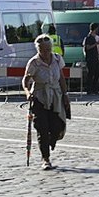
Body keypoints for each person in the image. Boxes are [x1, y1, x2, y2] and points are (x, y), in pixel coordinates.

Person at [22, 34, 70, 170]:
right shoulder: (34, 62)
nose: (45, 53)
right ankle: (45, 159)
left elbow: (61, 78)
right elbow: (25, 80)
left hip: (55, 96)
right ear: (38, 50)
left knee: (57, 126)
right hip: (39, 97)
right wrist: (27, 92)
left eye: (47, 50)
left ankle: (51, 140)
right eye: (42, 50)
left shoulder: (57, 59)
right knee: (42, 128)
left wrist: (65, 94)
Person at [83, 23, 99, 95]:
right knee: (91, 74)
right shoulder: (88, 37)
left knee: (97, 73)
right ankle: (89, 89)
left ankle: (95, 89)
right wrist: (95, 44)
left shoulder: (96, 37)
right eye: (97, 28)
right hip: (90, 58)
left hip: (96, 58)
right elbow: (87, 47)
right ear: (95, 28)